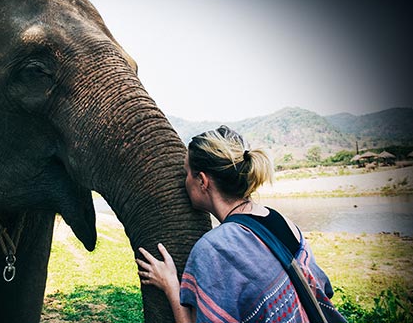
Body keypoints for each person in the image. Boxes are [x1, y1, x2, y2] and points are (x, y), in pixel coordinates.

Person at [136, 125, 345, 323]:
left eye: (186, 173)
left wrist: (170, 284)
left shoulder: (214, 248)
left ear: (202, 181)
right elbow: (322, 291)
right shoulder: (283, 221)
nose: (184, 181)